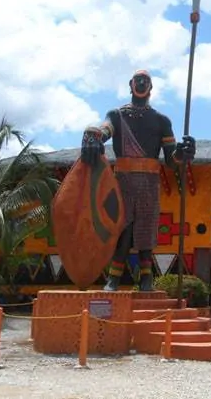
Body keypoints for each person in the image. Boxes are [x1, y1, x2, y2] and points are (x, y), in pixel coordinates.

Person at [80, 69, 196, 292]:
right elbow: (105, 130)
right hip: (122, 180)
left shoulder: (161, 121)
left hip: (149, 182)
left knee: (146, 229)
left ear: (151, 87)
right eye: (138, 80)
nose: (142, 84)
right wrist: (93, 135)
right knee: (122, 228)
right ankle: (114, 278)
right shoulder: (117, 115)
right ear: (131, 84)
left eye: (146, 81)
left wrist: (183, 153)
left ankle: (146, 278)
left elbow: (172, 160)